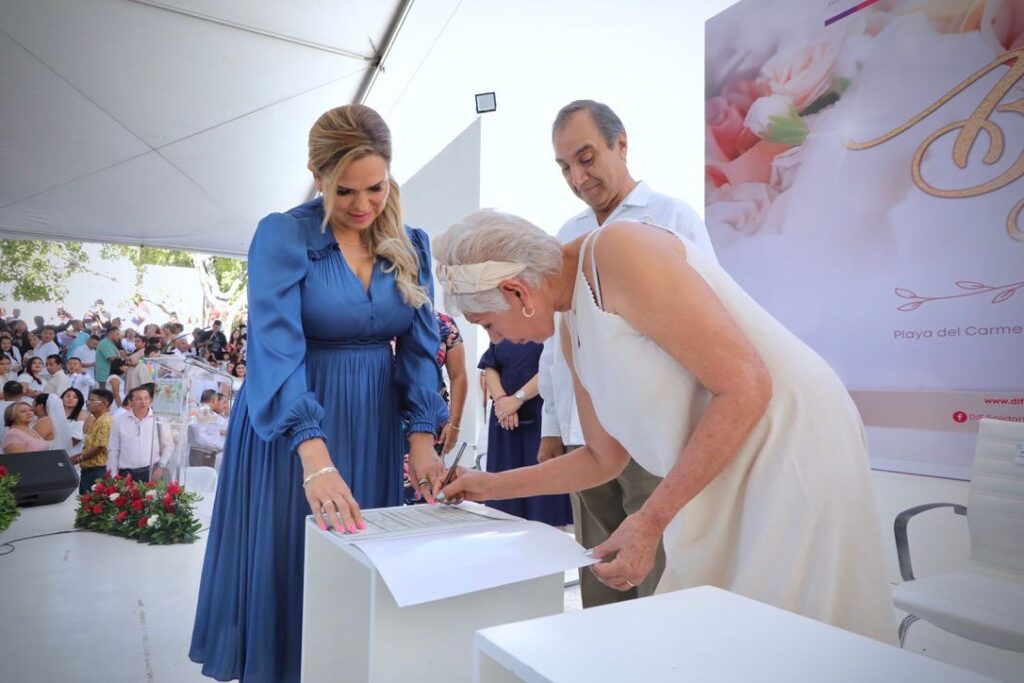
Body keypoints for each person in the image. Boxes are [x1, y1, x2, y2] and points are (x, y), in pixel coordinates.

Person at [433, 209, 896, 643]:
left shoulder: (618, 250)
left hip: (784, 440)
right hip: (725, 454)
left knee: (781, 628)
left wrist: (650, 520)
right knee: (721, 627)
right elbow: (601, 458)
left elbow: (747, 385)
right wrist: (489, 486)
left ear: (518, 292)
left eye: (488, 324)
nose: (496, 339)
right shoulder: (570, 320)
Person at [190, 103, 447, 682]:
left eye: (376, 187)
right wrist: (314, 456)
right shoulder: (284, 234)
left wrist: (422, 438)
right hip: (294, 426)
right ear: (317, 174)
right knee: (294, 558)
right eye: (345, 190)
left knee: (358, 564)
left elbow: (420, 347)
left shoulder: (413, 243)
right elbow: (275, 349)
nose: (362, 205)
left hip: (373, 424)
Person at [535, 100, 721, 607]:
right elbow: (556, 340)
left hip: (651, 433)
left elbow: (709, 323)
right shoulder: (567, 234)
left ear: (621, 144)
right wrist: (553, 424)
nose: (578, 177)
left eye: (586, 158)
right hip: (584, 436)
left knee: (658, 573)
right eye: (564, 167)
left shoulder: (671, 219)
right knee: (597, 570)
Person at [479, 340, 572, 526]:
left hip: (541, 413)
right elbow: (489, 365)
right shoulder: (501, 327)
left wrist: (517, 399)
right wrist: (501, 400)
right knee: (504, 503)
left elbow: (552, 366)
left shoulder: (549, 329)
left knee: (544, 501)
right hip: (504, 419)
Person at [106, 386, 173, 482]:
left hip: (152, 472)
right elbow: (113, 450)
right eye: (138, 399)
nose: (143, 402)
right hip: (126, 474)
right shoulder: (119, 421)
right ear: (130, 402)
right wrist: (113, 476)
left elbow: (169, 445)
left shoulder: (159, 419)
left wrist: (161, 467)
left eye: (146, 398)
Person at [435, 311, 467, 456]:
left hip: (432, 417)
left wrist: (454, 425)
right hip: (379, 414)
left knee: (427, 470)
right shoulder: (378, 321)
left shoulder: (444, 324)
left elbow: (458, 375)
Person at [72, 389, 114, 493]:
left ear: (103, 404)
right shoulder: (97, 419)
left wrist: (79, 459)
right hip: (90, 469)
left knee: (91, 499)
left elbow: (99, 447)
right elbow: (89, 446)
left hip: (97, 470)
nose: (88, 403)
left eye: (91, 400)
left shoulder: (105, 421)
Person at [60, 387, 87, 458]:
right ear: (62, 399)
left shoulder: (82, 415)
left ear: (79, 401)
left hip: (72, 455)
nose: (70, 399)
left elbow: (75, 440)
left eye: (75, 397)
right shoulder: (56, 414)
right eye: (68, 396)